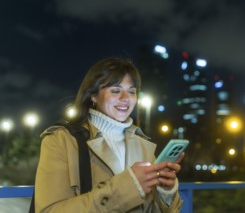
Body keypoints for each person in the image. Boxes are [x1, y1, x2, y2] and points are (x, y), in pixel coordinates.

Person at [34, 57, 184, 212]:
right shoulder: (61, 140)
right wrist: (129, 186)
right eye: (116, 90)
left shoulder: (143, 145)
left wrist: (165, 191)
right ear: (93, 95)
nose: (126, 98)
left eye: (132, 91)